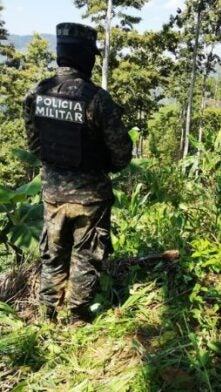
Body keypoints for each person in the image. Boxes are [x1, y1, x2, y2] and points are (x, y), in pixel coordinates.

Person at [23, 23, 133, 323]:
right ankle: (78, 318)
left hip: (53, 193)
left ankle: (48, 316)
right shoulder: (96, 98)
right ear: (87, 57)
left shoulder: (37, 93)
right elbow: (122, 153)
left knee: (53, 253)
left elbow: (34, 145)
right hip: (91, 196)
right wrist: (99, 167)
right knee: (86, 255)